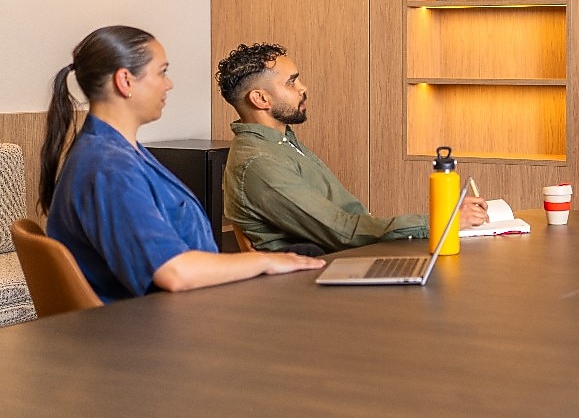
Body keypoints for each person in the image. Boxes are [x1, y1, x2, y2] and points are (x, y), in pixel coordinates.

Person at [38, 26, 324, 303]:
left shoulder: (115, 151)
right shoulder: (108, 167)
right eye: (162, 72)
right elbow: (174, 272)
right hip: (157, 327)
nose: (169, 83)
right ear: (125, 81)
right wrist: (264, 260)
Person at [216, 42, 488, 253]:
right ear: (261, 98)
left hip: (349, 255)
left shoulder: (281, 141)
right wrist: (443, 222)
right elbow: (344, 232)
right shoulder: (261, 163)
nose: (303, 87)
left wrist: (445, 218)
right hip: (317, 281)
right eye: (291, 82)